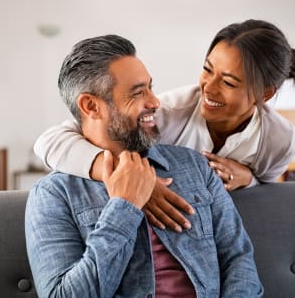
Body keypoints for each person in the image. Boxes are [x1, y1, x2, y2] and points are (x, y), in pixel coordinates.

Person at [25, 34, 263, 297]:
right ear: (91, 106)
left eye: (150, 87)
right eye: (138, 92)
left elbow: (238, 258)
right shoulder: (53, 195)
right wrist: (123, 207)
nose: (155, 102)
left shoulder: (195, 165)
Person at [34, 19, 295, 231]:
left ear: (265, 94)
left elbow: (265, 197)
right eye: (207, 69)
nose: (209, 88)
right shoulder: (167, 113)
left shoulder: (278, 141)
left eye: (228, 82)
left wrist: (248, 179)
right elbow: (50, 141)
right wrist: (124, 176)